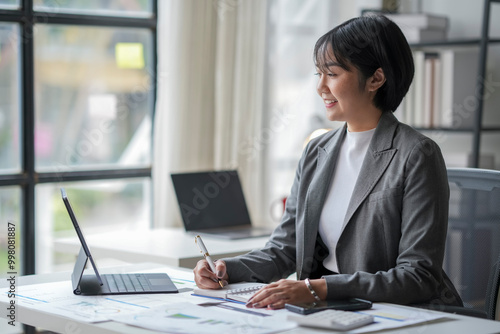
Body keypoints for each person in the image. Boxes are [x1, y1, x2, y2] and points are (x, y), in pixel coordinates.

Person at [193, 15, 463, 310]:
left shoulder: (417, 154)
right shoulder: (316, 151)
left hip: (397, 312)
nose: (321, 87)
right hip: (326, 307)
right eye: (318, 74)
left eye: (332, 74)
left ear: (376, 78)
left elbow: (418, 275)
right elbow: (285, 249)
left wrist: (317, 288)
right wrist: (225, 269)